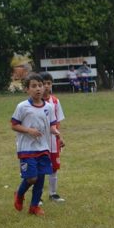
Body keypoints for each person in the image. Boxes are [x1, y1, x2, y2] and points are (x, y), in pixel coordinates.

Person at [11, 73, 59, 216]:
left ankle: (34, 206)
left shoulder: (49, 107)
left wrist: (56, 133)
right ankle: (19, 194)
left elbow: (51, 126)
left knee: (41, 177)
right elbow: (14, 125)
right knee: (32, 177)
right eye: (34, 86)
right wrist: (28, 130)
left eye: (40, 85)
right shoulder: (22, 107)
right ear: (27, 89)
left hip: (43, 147)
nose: (38, 89)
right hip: (26, 148)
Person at [40, 72, 66, 203]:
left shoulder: (55, 101)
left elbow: (58, 121)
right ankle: (37, 196)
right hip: (39, 140)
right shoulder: (35, 102)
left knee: (54, 167)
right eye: (43, 83)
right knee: (40, 167)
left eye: (48, 83)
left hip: (53, 140)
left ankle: (53, 193)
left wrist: (59, 137)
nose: (45, 86)